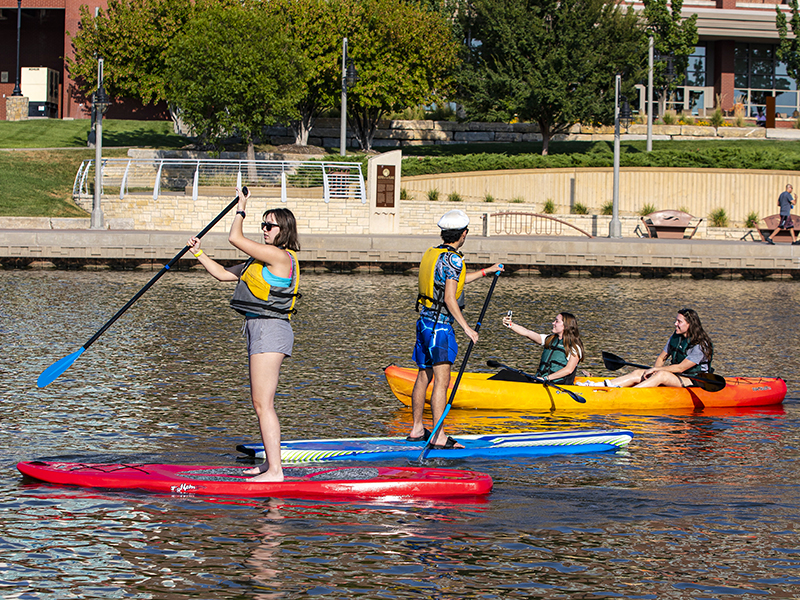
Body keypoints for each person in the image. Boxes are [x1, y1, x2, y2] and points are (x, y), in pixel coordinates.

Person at [187, 188, 300, 482]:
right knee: (260, 403)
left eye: (269, 226)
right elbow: (223, 274)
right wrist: (198, 253)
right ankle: (269, 465)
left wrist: (241, 208)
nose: (264, 230)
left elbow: (235, 238)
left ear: (283, 230)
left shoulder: (278, 257)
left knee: (263, 403)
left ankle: (275, 471)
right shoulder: (259, 262)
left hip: (270, 329)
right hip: (259, 328)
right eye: (262, 224)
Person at [407, 209, 503, 449]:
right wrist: (468, 329)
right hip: (440, 328)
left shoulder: (434, 254)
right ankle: (439, 436)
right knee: (442, 381)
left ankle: (417, 428)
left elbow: (453, 280)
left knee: (423, 375)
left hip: (424, 323)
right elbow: (450, 298)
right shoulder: (455, 259)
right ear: (464, 234)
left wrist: (485, 272)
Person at [600, 308, 713, 389]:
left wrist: (656, 371)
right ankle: (601, 386)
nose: (675, 324)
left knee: (661, 375)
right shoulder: (676, 337)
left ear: (690, 324)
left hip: (694, 380)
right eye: (676, 320)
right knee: (638, 373)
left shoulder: (701, 345)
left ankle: (630, 394)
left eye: (679, 321)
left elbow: (680, 368)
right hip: (677, 376)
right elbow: (661, 358)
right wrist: (653, 373)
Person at [502, 312, 584, 385]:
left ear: (566, 326)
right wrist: (511, 325)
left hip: (557, 384)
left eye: (557, 321)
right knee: (504, 374)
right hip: (540, 381)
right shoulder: (549, 339)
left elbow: (568, 370)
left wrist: (546, 378)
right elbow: (527, 332)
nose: (553, 323)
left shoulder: (574, 346)